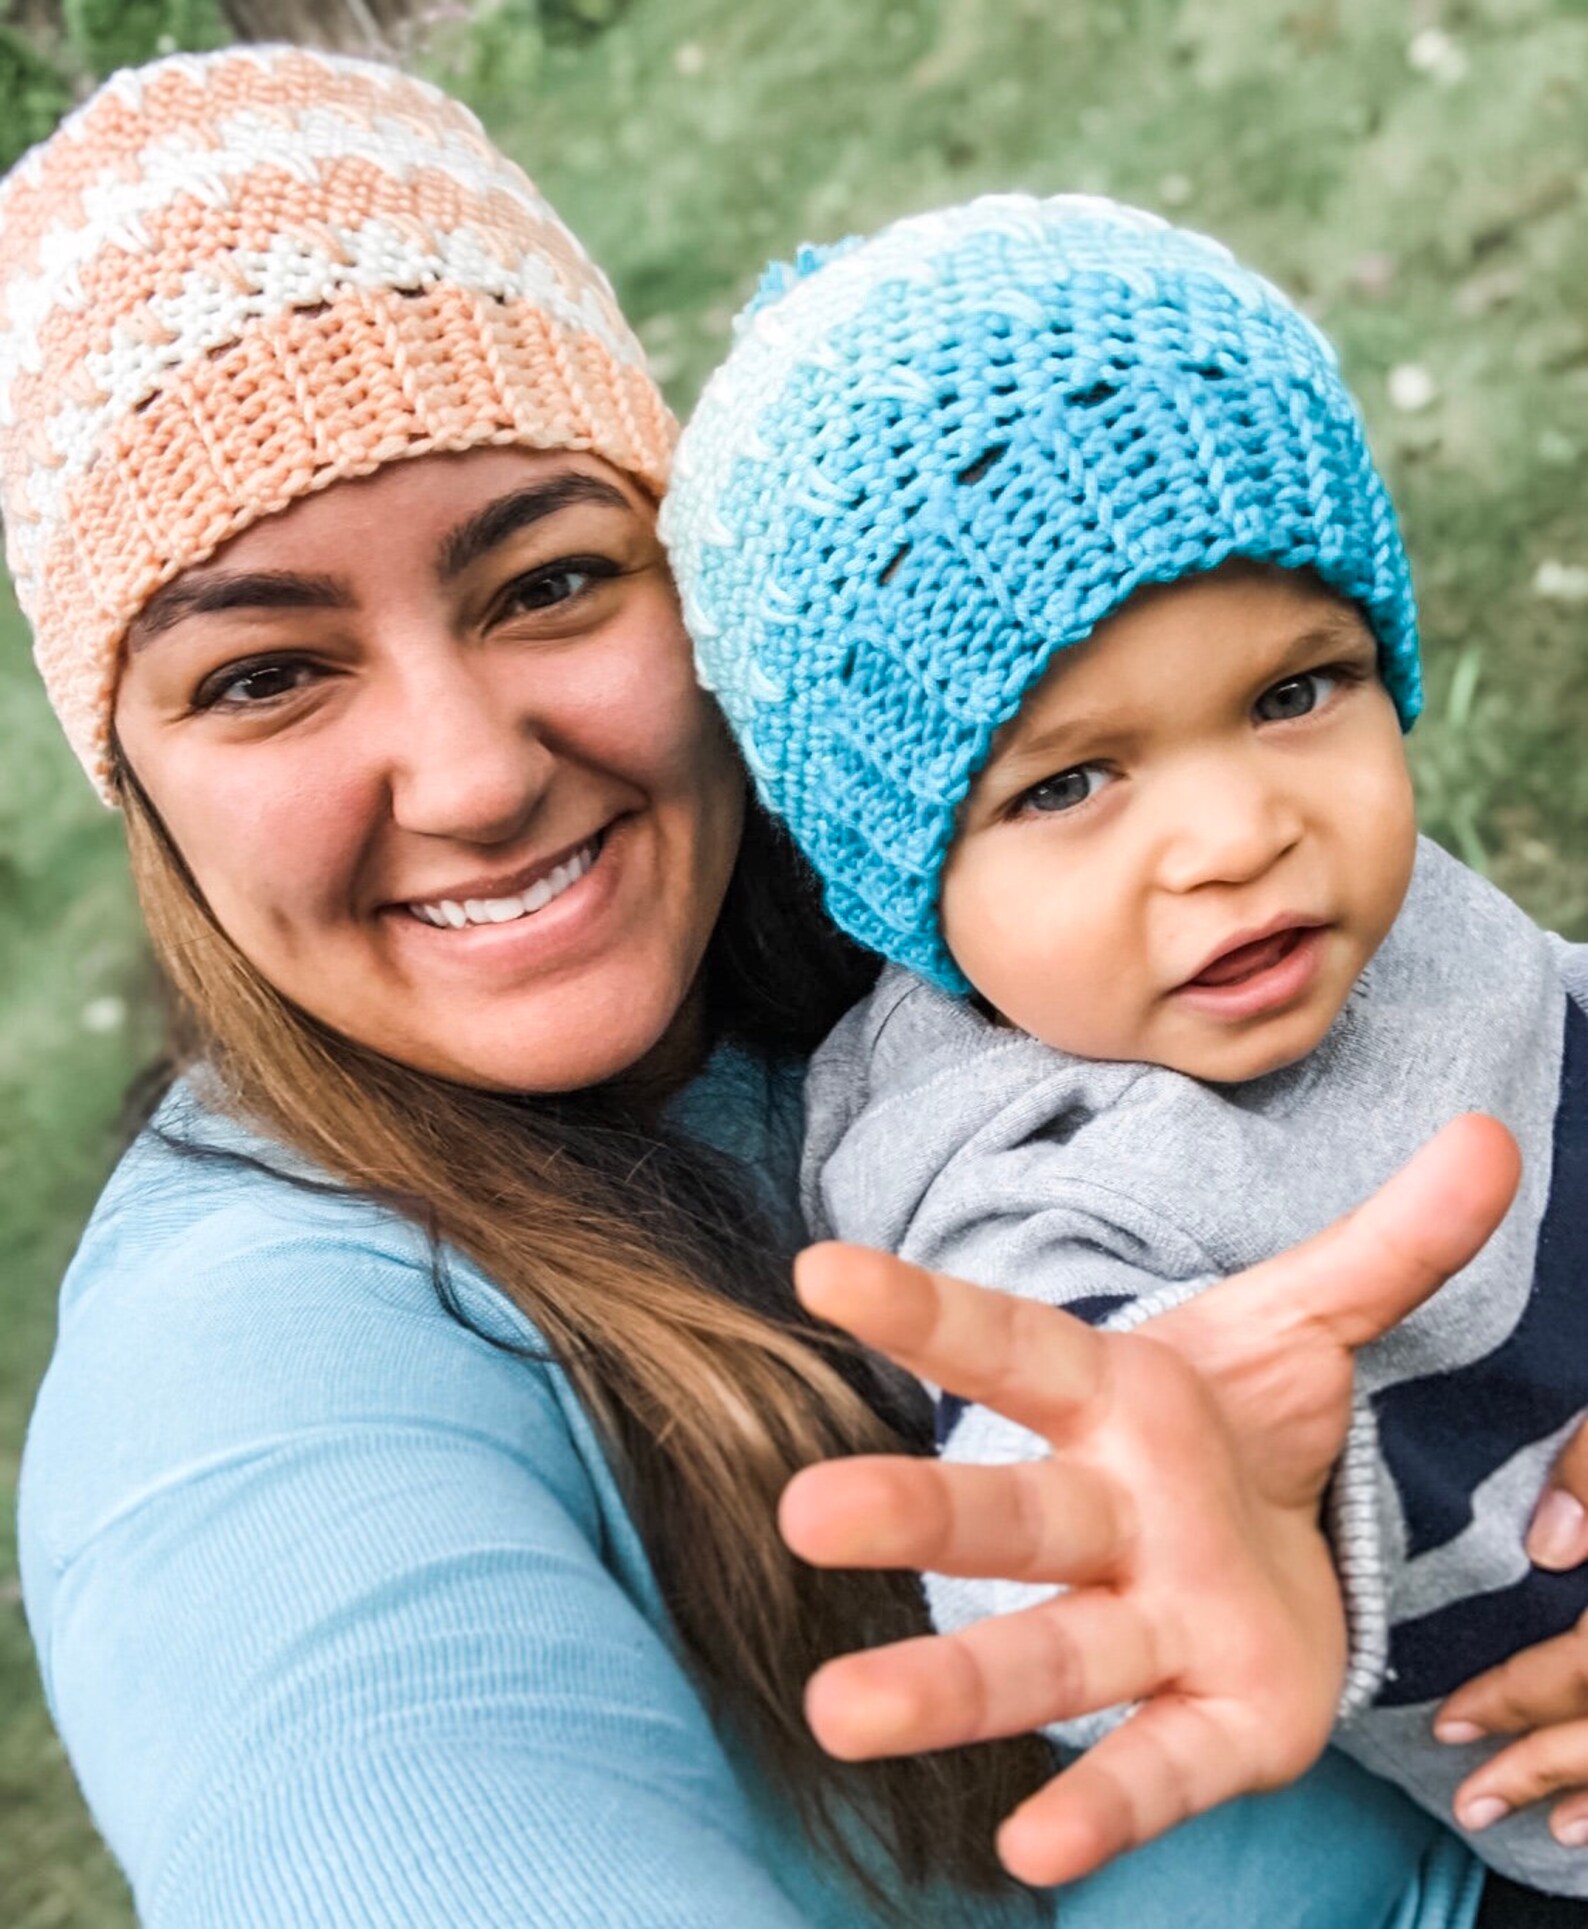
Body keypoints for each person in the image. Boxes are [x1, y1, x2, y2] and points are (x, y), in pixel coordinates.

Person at [0, 49, 1541, 1929]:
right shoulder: (238, 1382)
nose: (476, 772)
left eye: (550, 581)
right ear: (134, 777)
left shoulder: (1009, 901)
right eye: (262, 676)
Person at [660, 192, 1588, 1899]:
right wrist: (1156, 1508)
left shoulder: (1373, 923)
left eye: (1293, 689)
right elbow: (1063, 1431)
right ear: (899, 869)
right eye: (1069, 782)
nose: (1238, 829)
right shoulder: (1006, 1159)